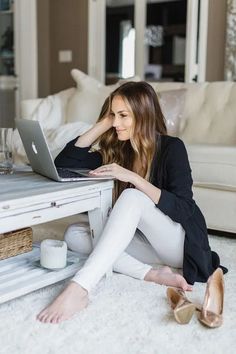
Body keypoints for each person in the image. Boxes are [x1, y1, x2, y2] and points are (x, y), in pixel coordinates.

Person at [37, 81, 225, 324]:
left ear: (143, 115)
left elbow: (184, 208)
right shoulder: (119, 151)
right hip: (146, 246)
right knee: (74, 234)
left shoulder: (172, 148)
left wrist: (133, 178)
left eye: (123, 115)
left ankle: (80, 288)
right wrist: (104, 122)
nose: (116, 123)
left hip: (179, 244)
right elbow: (63, 163)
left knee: (133, 196)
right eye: (113, 115)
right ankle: (152, 274)